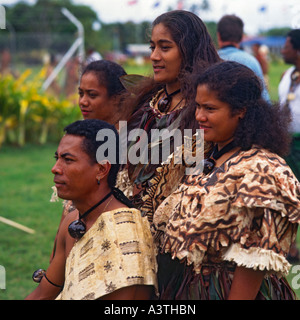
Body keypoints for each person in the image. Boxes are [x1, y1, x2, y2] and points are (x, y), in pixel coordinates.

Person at [151, 61, 300, 300]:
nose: (199, 116)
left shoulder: (264, 172)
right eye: (197, 106)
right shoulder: (198, 153)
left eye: (210, 108)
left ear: (240, 110)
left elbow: (251, 266)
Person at [26, 119, 157, 300]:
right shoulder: (73, 219)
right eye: (57, 159)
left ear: (102, 169)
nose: (55, 169)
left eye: (68, 160)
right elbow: (42, 294)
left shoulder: (123, 233)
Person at [123, 10, 221, 212]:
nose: (154, 56)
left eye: (165, 47)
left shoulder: (206, 110)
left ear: (189, 50)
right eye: (152, 47)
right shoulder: (146, 101)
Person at [50, 60, 134, 262]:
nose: (83, 102)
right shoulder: (85, 138)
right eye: (81, 93)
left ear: (118, 99)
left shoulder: (132, 145)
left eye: (92, 95)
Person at [278, 28, 300, 263]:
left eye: (286, 46)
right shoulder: (288, 75)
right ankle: (291, 248)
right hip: (287, 143)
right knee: (288, 195)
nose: (283, 50)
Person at [217, 14, 270, 101]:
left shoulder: (210, 59)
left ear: (218, 36)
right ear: (241, 37)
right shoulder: (251, 62)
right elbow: (264, 99)